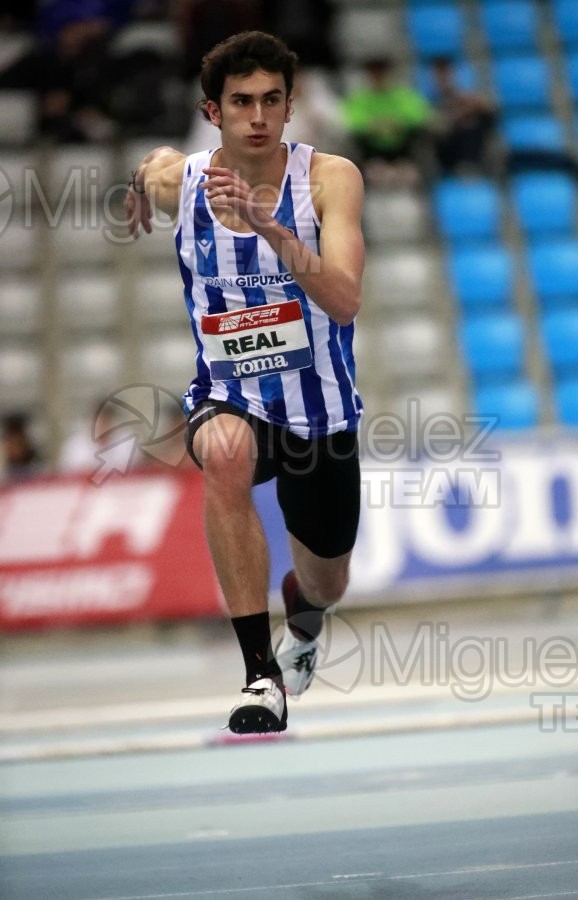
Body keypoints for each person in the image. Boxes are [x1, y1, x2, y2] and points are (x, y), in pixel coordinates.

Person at [124, 30, 364, 734]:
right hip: (231, 395)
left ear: (290, 107)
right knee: (223, 454)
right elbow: (154, 167)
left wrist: (272, 228)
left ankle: (305, 619)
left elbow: (346, 300)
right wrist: (139, 187)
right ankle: (260, 677)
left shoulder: (329, 179)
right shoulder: (186, 182)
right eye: (240, 102)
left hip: (319, 412)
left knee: (327, 583)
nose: (256, 116)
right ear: (212, 111)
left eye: (270, 101)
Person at [342, 57, 433, 187]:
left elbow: (419, 116)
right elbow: (353, 122)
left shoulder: (402, 95)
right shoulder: (359, 98)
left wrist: (395, 124)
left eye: (381, 73)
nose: (378, 77)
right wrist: (378, 126)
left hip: (403, 151)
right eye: (374, 73)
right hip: (371, 153)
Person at [429, 56, 497, 176]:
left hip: (470, 144)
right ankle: (464, 168)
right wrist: (458, 115)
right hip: (445, 146)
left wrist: (474, 105)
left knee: (475, 122)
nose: (444, 79)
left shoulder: (465, 96)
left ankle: (471, 167)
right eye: (440, 75)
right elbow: (436, 124)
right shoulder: (429, 100)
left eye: (446, 74)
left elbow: (490, 109)